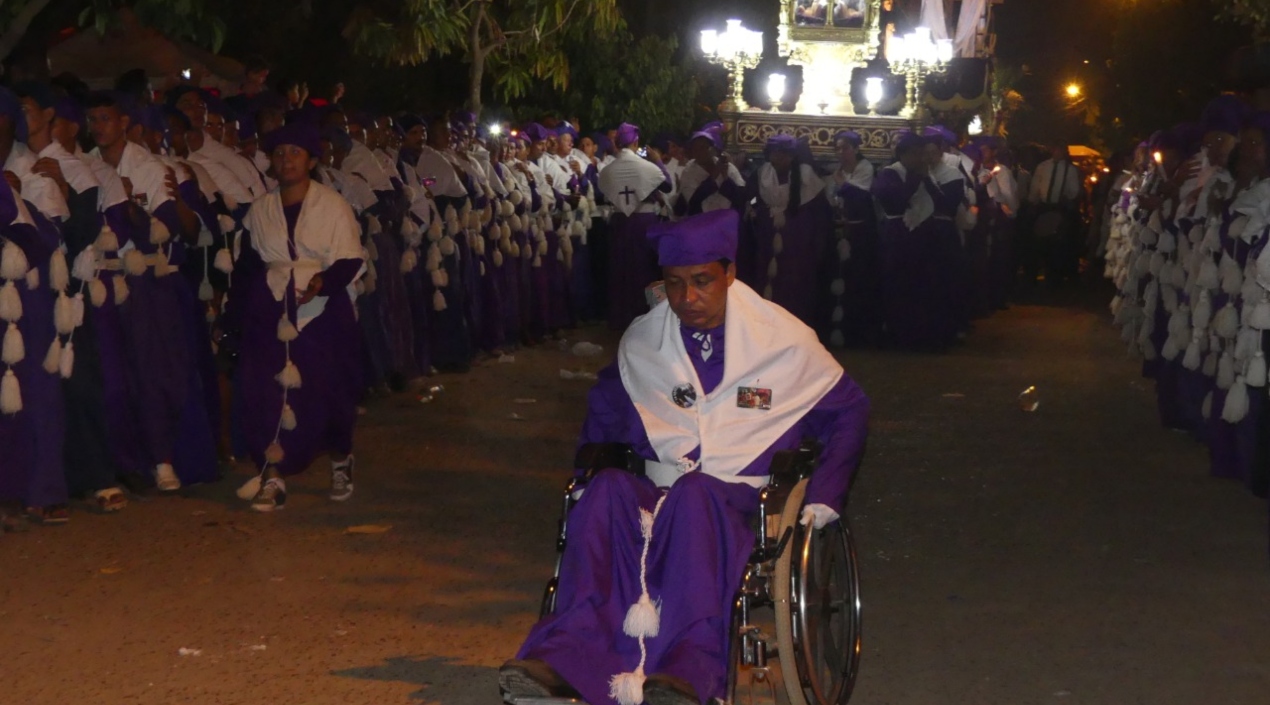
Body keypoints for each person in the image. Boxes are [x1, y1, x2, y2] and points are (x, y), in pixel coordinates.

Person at [500, 208, 870, 705]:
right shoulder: (645, 339)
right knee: (607, 489)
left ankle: (688, 670)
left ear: (730, 274)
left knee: (694, 496)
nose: (687, 298)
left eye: (702, 282)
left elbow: (850, 410)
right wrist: (586, 475)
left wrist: (826, 492)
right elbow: (606, 412)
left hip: (740, 493)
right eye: (674, 284)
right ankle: (564, 658)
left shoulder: (784, 341)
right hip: (659, 484)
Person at [222, 122, 364, 511]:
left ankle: (340, 458)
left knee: (327, 389)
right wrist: (232, 317)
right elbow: (248, 265)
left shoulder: (332, 205)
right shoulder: (261, 210)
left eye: (295, 153)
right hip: (269, 306)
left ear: (312, 161)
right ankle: (272, 475)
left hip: (319, 311)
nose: (286, 160)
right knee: (264, 391)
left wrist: (324, 281)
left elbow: (351, 257)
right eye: (280, 153)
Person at [747, 134, 832, 329]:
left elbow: (819, 211)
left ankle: (795, 326)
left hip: (798, 236)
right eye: (775, 154)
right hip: (768, 234)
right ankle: (767, 324)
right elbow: (751, 198)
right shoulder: (762, 174)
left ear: (792, 156)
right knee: (767, 277)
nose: (778, 159)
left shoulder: (806, 175)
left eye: (783, 154)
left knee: (794, 281)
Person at [597, 122, 670, 331]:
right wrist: (657, 161)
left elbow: (603, 192)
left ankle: (620, 319)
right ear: (636, 142)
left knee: (620, 270)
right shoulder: (646, 166)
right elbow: (667, 184)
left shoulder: (608, 169)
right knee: (643, 269)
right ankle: (645, 319)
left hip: (620, 221)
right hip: (643, 222)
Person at [1026, 144, 1083, 285]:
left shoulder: (1070, 170)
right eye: (1056, 149)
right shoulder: (1043, 167)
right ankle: (1035, 274)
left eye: (1061, 150)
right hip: (1044, 207)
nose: (1058, 152)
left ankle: (1053, 276)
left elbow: (1073, 191)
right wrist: (1032, 202)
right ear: (1052, 150)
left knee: (1057, 244)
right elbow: (1035, 186)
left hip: (1059, 208)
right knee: (1039, 242)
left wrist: (1067, 197)